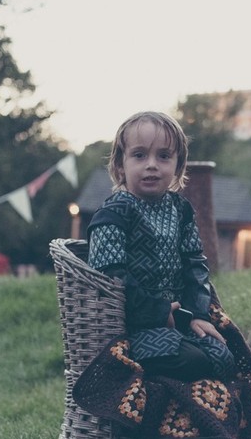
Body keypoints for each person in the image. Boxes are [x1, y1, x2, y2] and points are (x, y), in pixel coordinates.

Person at [86, 111, 234, 383]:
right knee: (193, 361)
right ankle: (157, 411)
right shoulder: (114, 213)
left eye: (164, 156)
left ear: (178, 166)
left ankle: (196, 417)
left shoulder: (181, 209)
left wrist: (197, 315)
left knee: (222, 355)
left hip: (181, 321)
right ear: (120, 165)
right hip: (134, 327)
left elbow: (195, 265)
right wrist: (157, 311)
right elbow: (110, 277)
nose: (151, 165)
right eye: (139, 155)